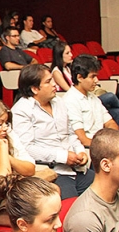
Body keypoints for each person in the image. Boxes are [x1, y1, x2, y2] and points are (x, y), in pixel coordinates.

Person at [12, 64, 93, 199]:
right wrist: (62, 156)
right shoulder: (21, 111)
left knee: (110, 189)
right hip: (51, 172)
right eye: (48, 81)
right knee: (71, 205)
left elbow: (71, 133)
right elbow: (26, 148)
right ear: (34, 89)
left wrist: (80, 151)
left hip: (75, 168)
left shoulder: (59, 102)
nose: (55, 84)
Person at [64, 56, 119, 146]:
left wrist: (110, 139)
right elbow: (82, 139)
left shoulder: (94, 98)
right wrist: (104, 146)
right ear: (79, 77)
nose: (96, 80)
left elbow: (110, 123)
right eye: (92, 77)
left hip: (101, 143)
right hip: (88, 148)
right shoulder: (70, 101)